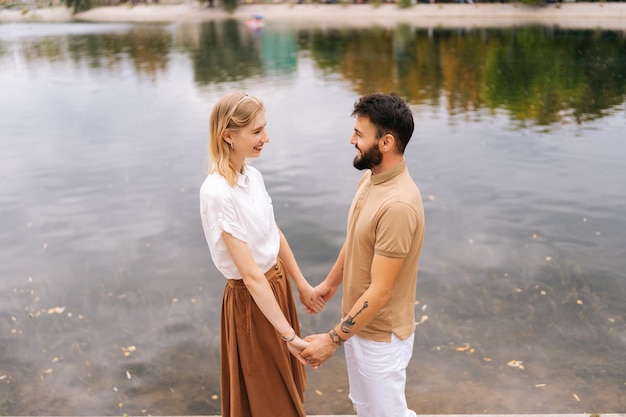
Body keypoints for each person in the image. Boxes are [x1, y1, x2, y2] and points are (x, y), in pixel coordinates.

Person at [199, 91, 325, 417]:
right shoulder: (217, 193)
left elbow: (273, 233)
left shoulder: (252, 176)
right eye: (256, 132)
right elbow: (252, 276)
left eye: (264, 129)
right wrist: (288, 336)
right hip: (252, 303)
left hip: (277, 289)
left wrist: (301, 285)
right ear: (228, 135)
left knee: (289, 389)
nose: (265, 138)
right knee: (268, 400)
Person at [301, 93, 425, 417]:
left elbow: (381, 291)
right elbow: (357, 238)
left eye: (359, 134)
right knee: (365, 410)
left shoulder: (398, 205)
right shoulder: (371, 178)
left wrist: (331, 340)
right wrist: (330, 284)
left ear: (385, 142)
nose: (351, 139)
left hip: (381, 338)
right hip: (357, 326)